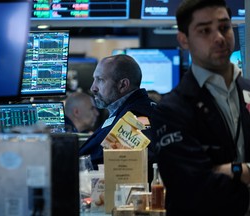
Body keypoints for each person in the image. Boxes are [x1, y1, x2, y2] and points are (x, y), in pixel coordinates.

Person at [151, 0, 250, 215]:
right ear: (184, 40)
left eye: (224, 27)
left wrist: (234, 171)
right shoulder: (170, 110)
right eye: (205, 30)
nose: (219, 38)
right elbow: (193, 189)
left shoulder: (248, 91)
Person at [79, 54, 157, 182]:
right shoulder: (123, 111)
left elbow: (115, 164)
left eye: (100, 80)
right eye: (94, 79)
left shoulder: (136, 117)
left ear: (123, 85)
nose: (93, 88)